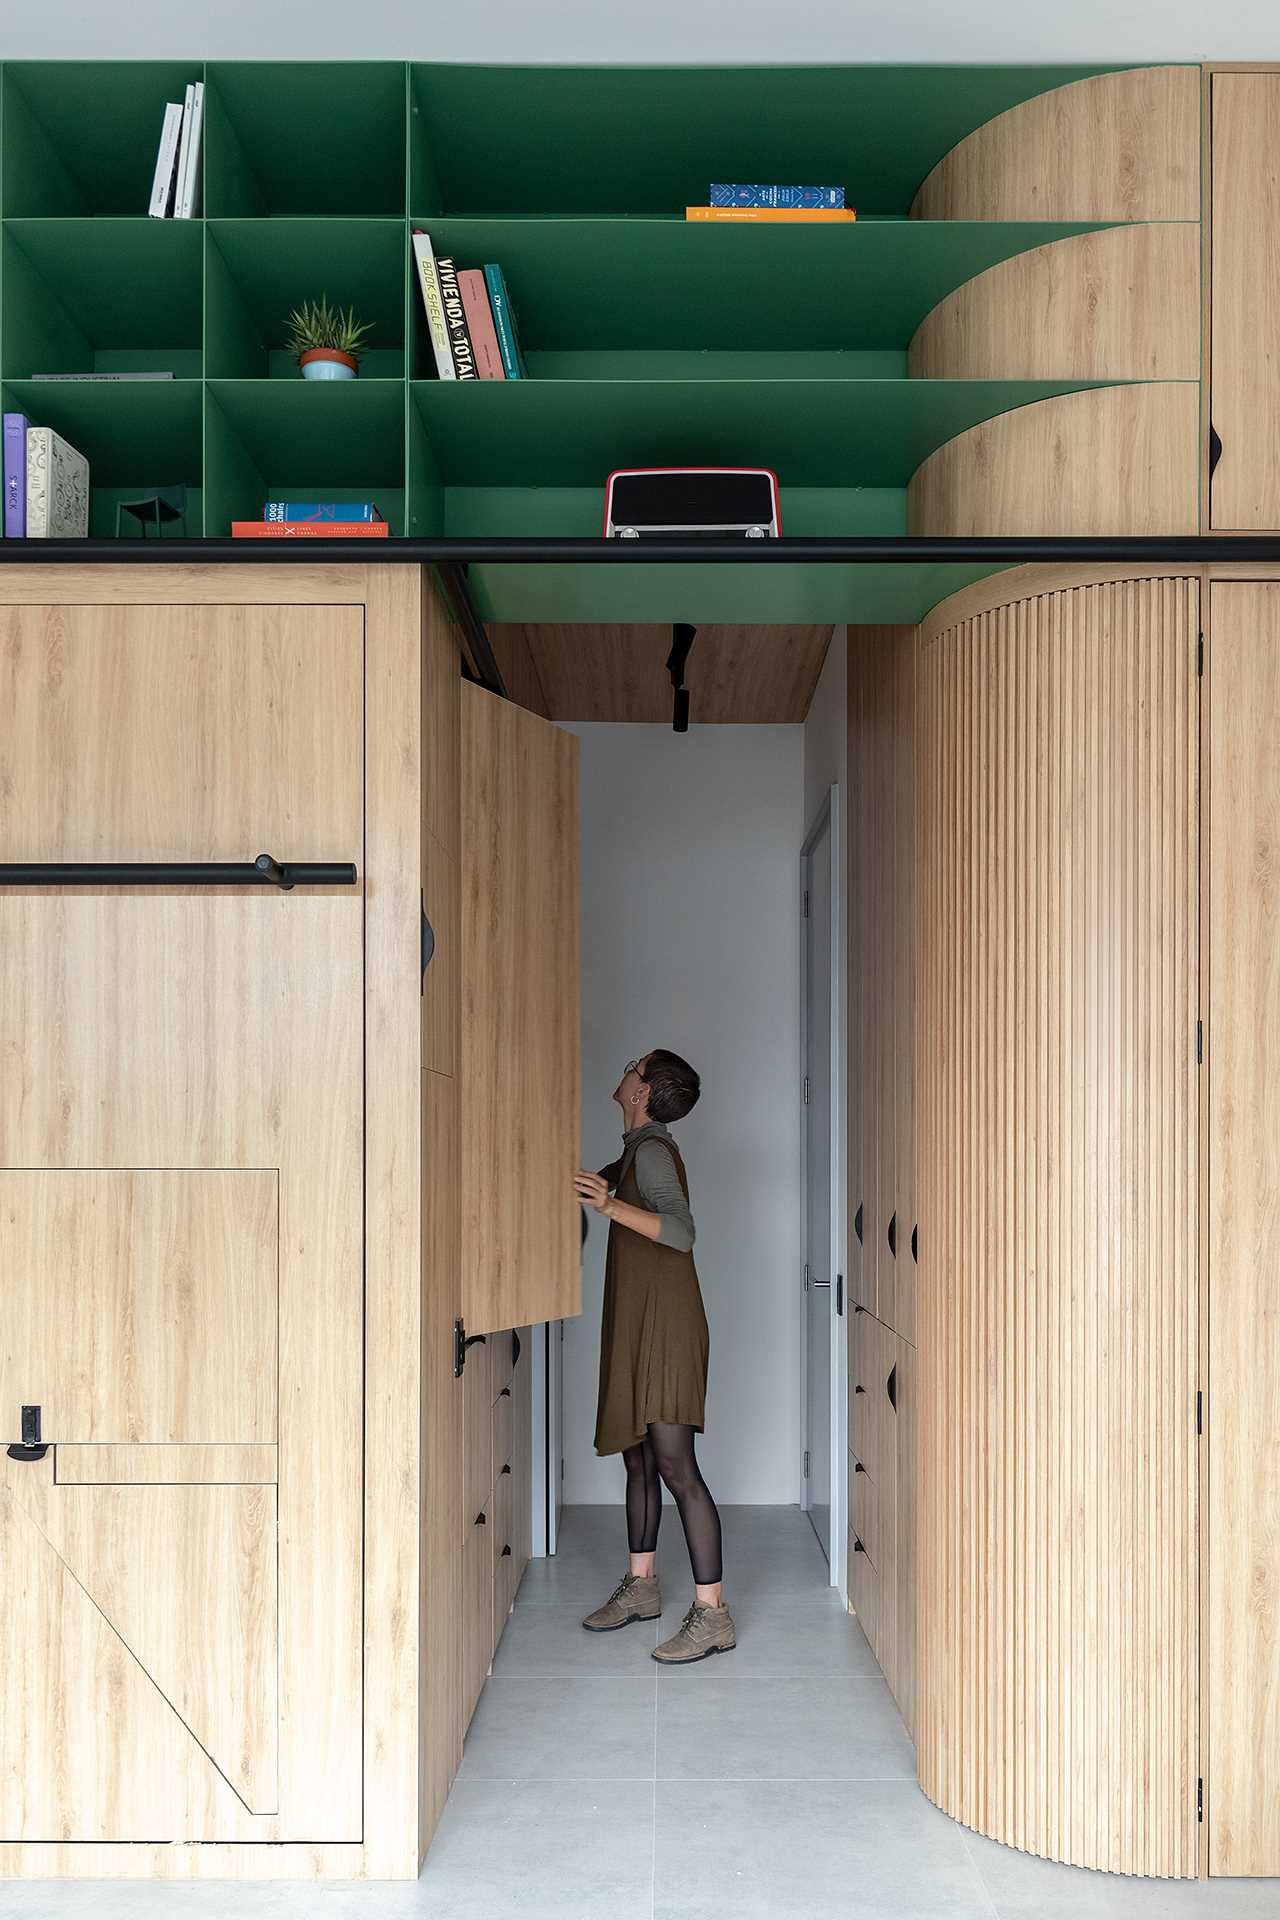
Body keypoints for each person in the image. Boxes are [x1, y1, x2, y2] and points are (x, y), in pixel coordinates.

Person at [572, 1050, 735, 1664]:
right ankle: (641, 1588)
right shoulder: (636, 1148)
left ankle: (713, 1614)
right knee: (638, 1459)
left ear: (641, 1091)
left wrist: (609, 1205)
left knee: (674, 1465)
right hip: (642, 1321)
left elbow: (682, 1231)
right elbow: (606, 1179)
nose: (622, 1069)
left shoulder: (654, 1152)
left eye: (631, 1066)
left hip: (667, 1327)